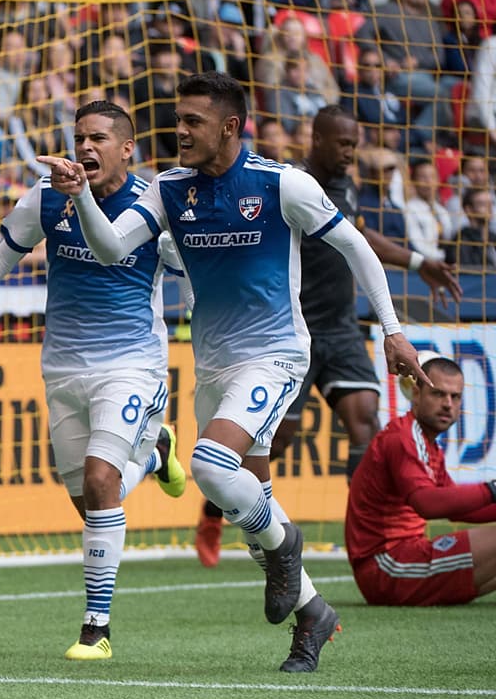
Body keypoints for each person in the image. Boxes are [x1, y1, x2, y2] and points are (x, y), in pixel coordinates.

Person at [36, 71, 426, 673]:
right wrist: (80, 193)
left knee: (210, 468)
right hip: (214, 365)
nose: (180, 132)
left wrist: (393, 328)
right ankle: (313, 616)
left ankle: (287, 547)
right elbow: (114, 248)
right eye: (178, 120)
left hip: (275, 356)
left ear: (230, 127)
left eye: (192, 122)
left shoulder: (282, 185)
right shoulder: (170, 190)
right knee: (253, 501)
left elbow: (357, 248)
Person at [0, 100, 188, 662]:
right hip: (63, 366)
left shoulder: (155, 203)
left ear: (128, 148)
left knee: (100, 484)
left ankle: (96, 629)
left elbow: (131, 253)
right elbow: (2, 257)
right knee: (95, 501)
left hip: (131, 365)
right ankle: (156, 451)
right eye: (79, 138)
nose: (86, 147)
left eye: (99, 138)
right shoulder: (47, 195)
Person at [195, 106, 463, 568]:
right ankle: (213, 511)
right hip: (290, 332)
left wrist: (419, 263)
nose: (350, 153)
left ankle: (367, 531)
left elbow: (360, 236)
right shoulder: (290, 185)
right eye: (343, 144)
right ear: (316, 139)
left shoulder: (346, 186)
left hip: (340, 329)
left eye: (355, 145)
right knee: (274, 442)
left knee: (364, 423)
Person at [346, 355, 496, 605]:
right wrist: (492, 488)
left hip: (399, 561)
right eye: (438, 394)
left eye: (455, 396)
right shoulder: (403, 438)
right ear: (416, 394)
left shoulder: (426, 444)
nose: (448, 403)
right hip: (386, 566)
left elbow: (457, 508)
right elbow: (427, 503)